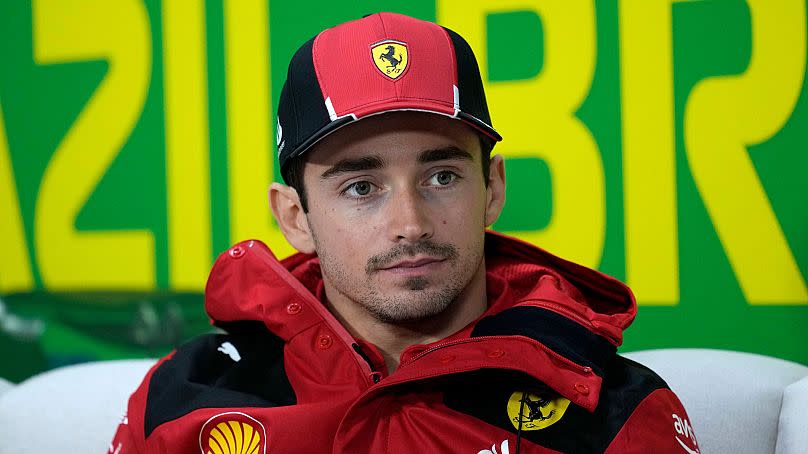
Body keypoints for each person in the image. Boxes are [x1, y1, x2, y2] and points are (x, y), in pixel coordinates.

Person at [110, 12, 699, 454]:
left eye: (441, 176)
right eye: (360, 187)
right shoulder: (182, 396)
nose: (410, 225)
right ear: (295, 217)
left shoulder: (616, 412)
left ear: (492, 188)